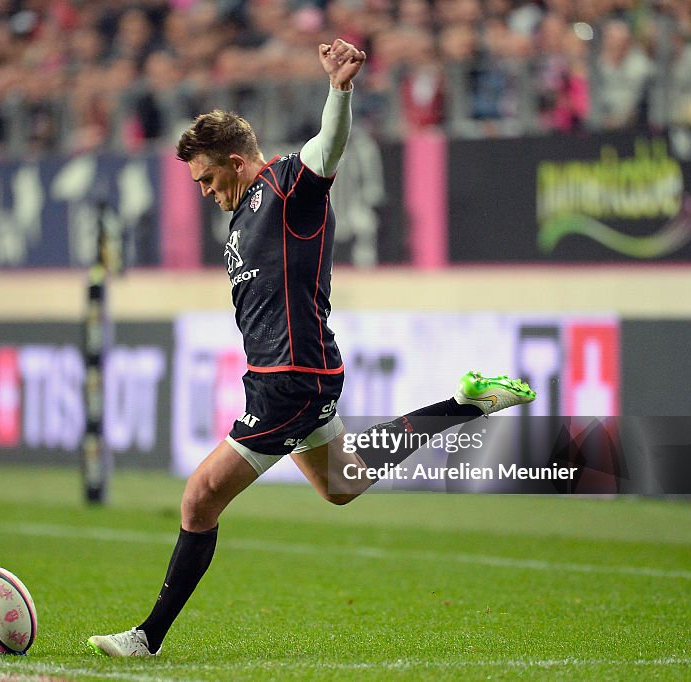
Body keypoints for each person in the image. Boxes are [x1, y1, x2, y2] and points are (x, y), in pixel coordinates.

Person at [87, 39, 536, 657]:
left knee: (198, 498)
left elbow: (329, 148)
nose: (203, 190)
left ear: (240, 161)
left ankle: (147, 637)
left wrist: (339, 88)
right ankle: (465, 405)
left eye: (208, 177)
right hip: (289, 373)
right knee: (342, 484)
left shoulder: (285, 184)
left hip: (291, 377)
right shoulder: (241, 214)